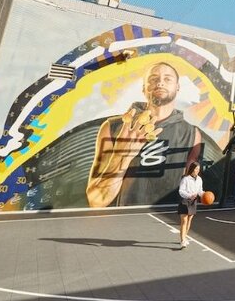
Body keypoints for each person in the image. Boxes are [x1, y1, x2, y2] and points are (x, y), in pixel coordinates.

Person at [86, 62, 202, 208]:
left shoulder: (192, 133)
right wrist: (122, 155)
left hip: (166, 220)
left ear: (178, 87)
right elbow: (97, 200)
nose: (160, 83)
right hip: (120, 223)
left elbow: (191, 189)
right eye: (153, 79)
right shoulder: (113, 126)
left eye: (167, 79)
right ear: (143, 88)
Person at [177, 161, 204, 248]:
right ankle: (182, 241)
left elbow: (200, 190)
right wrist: (189, 195)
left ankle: (185, 237)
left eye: (198, 169)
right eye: (196, 169)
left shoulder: (199, 179)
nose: (197, 171)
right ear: (192, 169)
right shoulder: (185, 179)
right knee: (184, 221)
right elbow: (181, 191)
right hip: (185, 200)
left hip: (193, 201)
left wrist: (204, 194)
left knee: (189, 221)